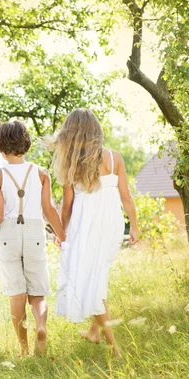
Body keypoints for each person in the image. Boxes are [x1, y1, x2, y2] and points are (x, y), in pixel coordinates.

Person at [0, 121, 67, 356]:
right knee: (38, 292)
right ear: (26, 144)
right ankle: (41, 326)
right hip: (35, 232)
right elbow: (49, 209)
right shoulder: (41, 173)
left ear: (1, 150)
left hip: (9, 235)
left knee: (17, 293)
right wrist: (61, 235)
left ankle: (24, 350)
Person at [51, 109, 139, 357]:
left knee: (91, 284)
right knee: (97, 276)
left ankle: (115, 349)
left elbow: (66, 209)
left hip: (87, 228)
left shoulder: (72, 165)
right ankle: (94, 332)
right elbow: (126, 197)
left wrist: (61, 233)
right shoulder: (115, 158)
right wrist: (134, 225)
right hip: (111, 227)